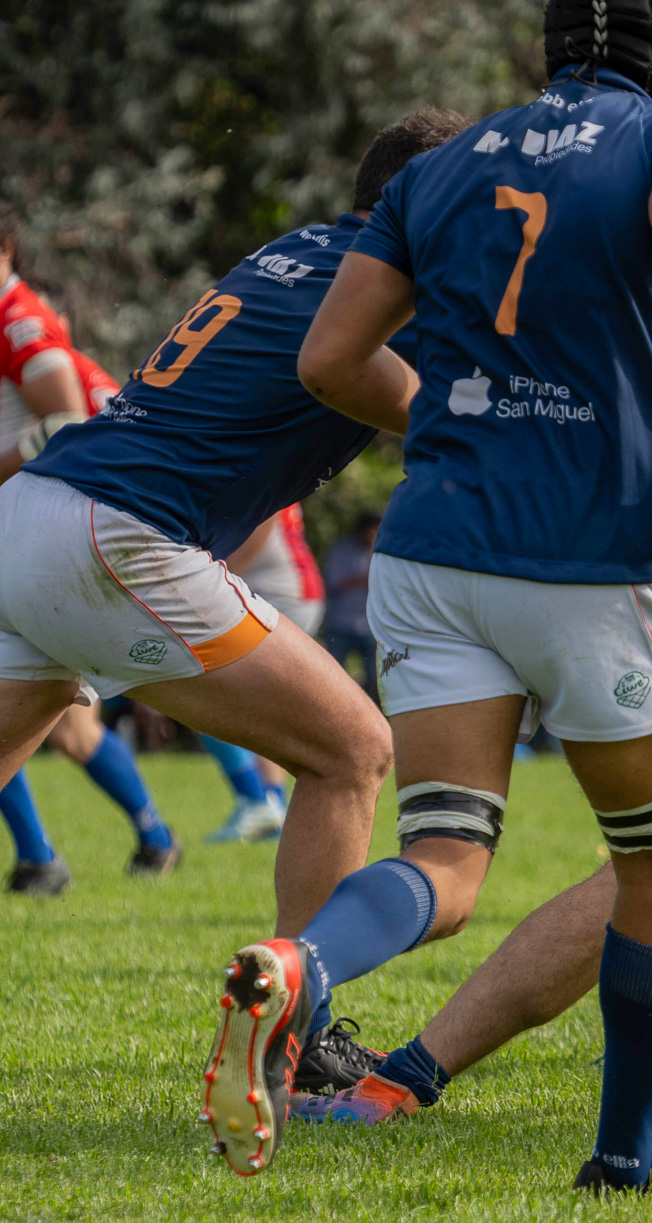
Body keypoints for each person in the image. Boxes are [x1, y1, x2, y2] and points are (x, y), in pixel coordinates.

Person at [286, 0, 652, 1191]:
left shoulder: (440, 163)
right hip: (592, 561)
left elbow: (331, 360)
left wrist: (453, 426)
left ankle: (298, 967)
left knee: (445, 850)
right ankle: (625, 1155)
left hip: (433, 555)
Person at [0, 111, 464, 1173]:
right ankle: (299, 1041)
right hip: (116, 530)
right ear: (431, 207)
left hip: (33, 511)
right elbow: (421, 400)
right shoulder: (397, 285)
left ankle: (302, 1033)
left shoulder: (295, 243)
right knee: (351, 749)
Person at [0, 215, 181, 892]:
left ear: (8, 249)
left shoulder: (18, 319)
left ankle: (41, 858)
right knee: (67, 728)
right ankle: (149, 837)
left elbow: (65, 423)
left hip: (54, 532)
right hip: (54, 536)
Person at [202, 503, 330, 843]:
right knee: (255, 706)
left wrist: (204, 579)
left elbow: (255, 538)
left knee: (198, 689)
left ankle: (255, 799)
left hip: (281, 594)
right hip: (293, 591)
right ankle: (272, 805)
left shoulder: (257, 462)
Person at [322, 513, 381, 698]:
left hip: (371, 626)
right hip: (341, 623)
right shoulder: (342, 550)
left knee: (375, 679)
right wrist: (365, 580)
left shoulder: (382, 552)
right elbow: (335, 582)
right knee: (333, 676)